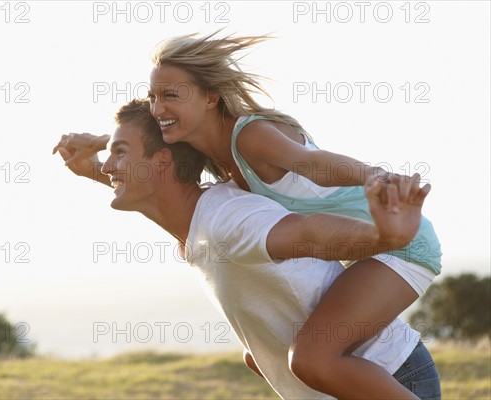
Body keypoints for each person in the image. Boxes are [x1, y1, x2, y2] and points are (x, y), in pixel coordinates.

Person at [53, 99, 441, 399]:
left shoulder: (227, 217)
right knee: (255, 357)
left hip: (390, 377)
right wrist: (94, 163)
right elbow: (154, 187)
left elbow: (309, 233)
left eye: (119, 153)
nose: (107, 167)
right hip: (347, 383)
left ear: (162, 162)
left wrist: (385, 239)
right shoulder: (196, 223)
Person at [146, 31, 443, 399]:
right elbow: (145, 168)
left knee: (310, 359)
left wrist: (377, 177)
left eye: (170, 95)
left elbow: (313, 163)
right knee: (260, 355)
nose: (157, 109)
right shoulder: (216, 163)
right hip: (369, 247)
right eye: (152, 97)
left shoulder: (248, 136)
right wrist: (97, 155)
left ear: (211, 97)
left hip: (401, 242)